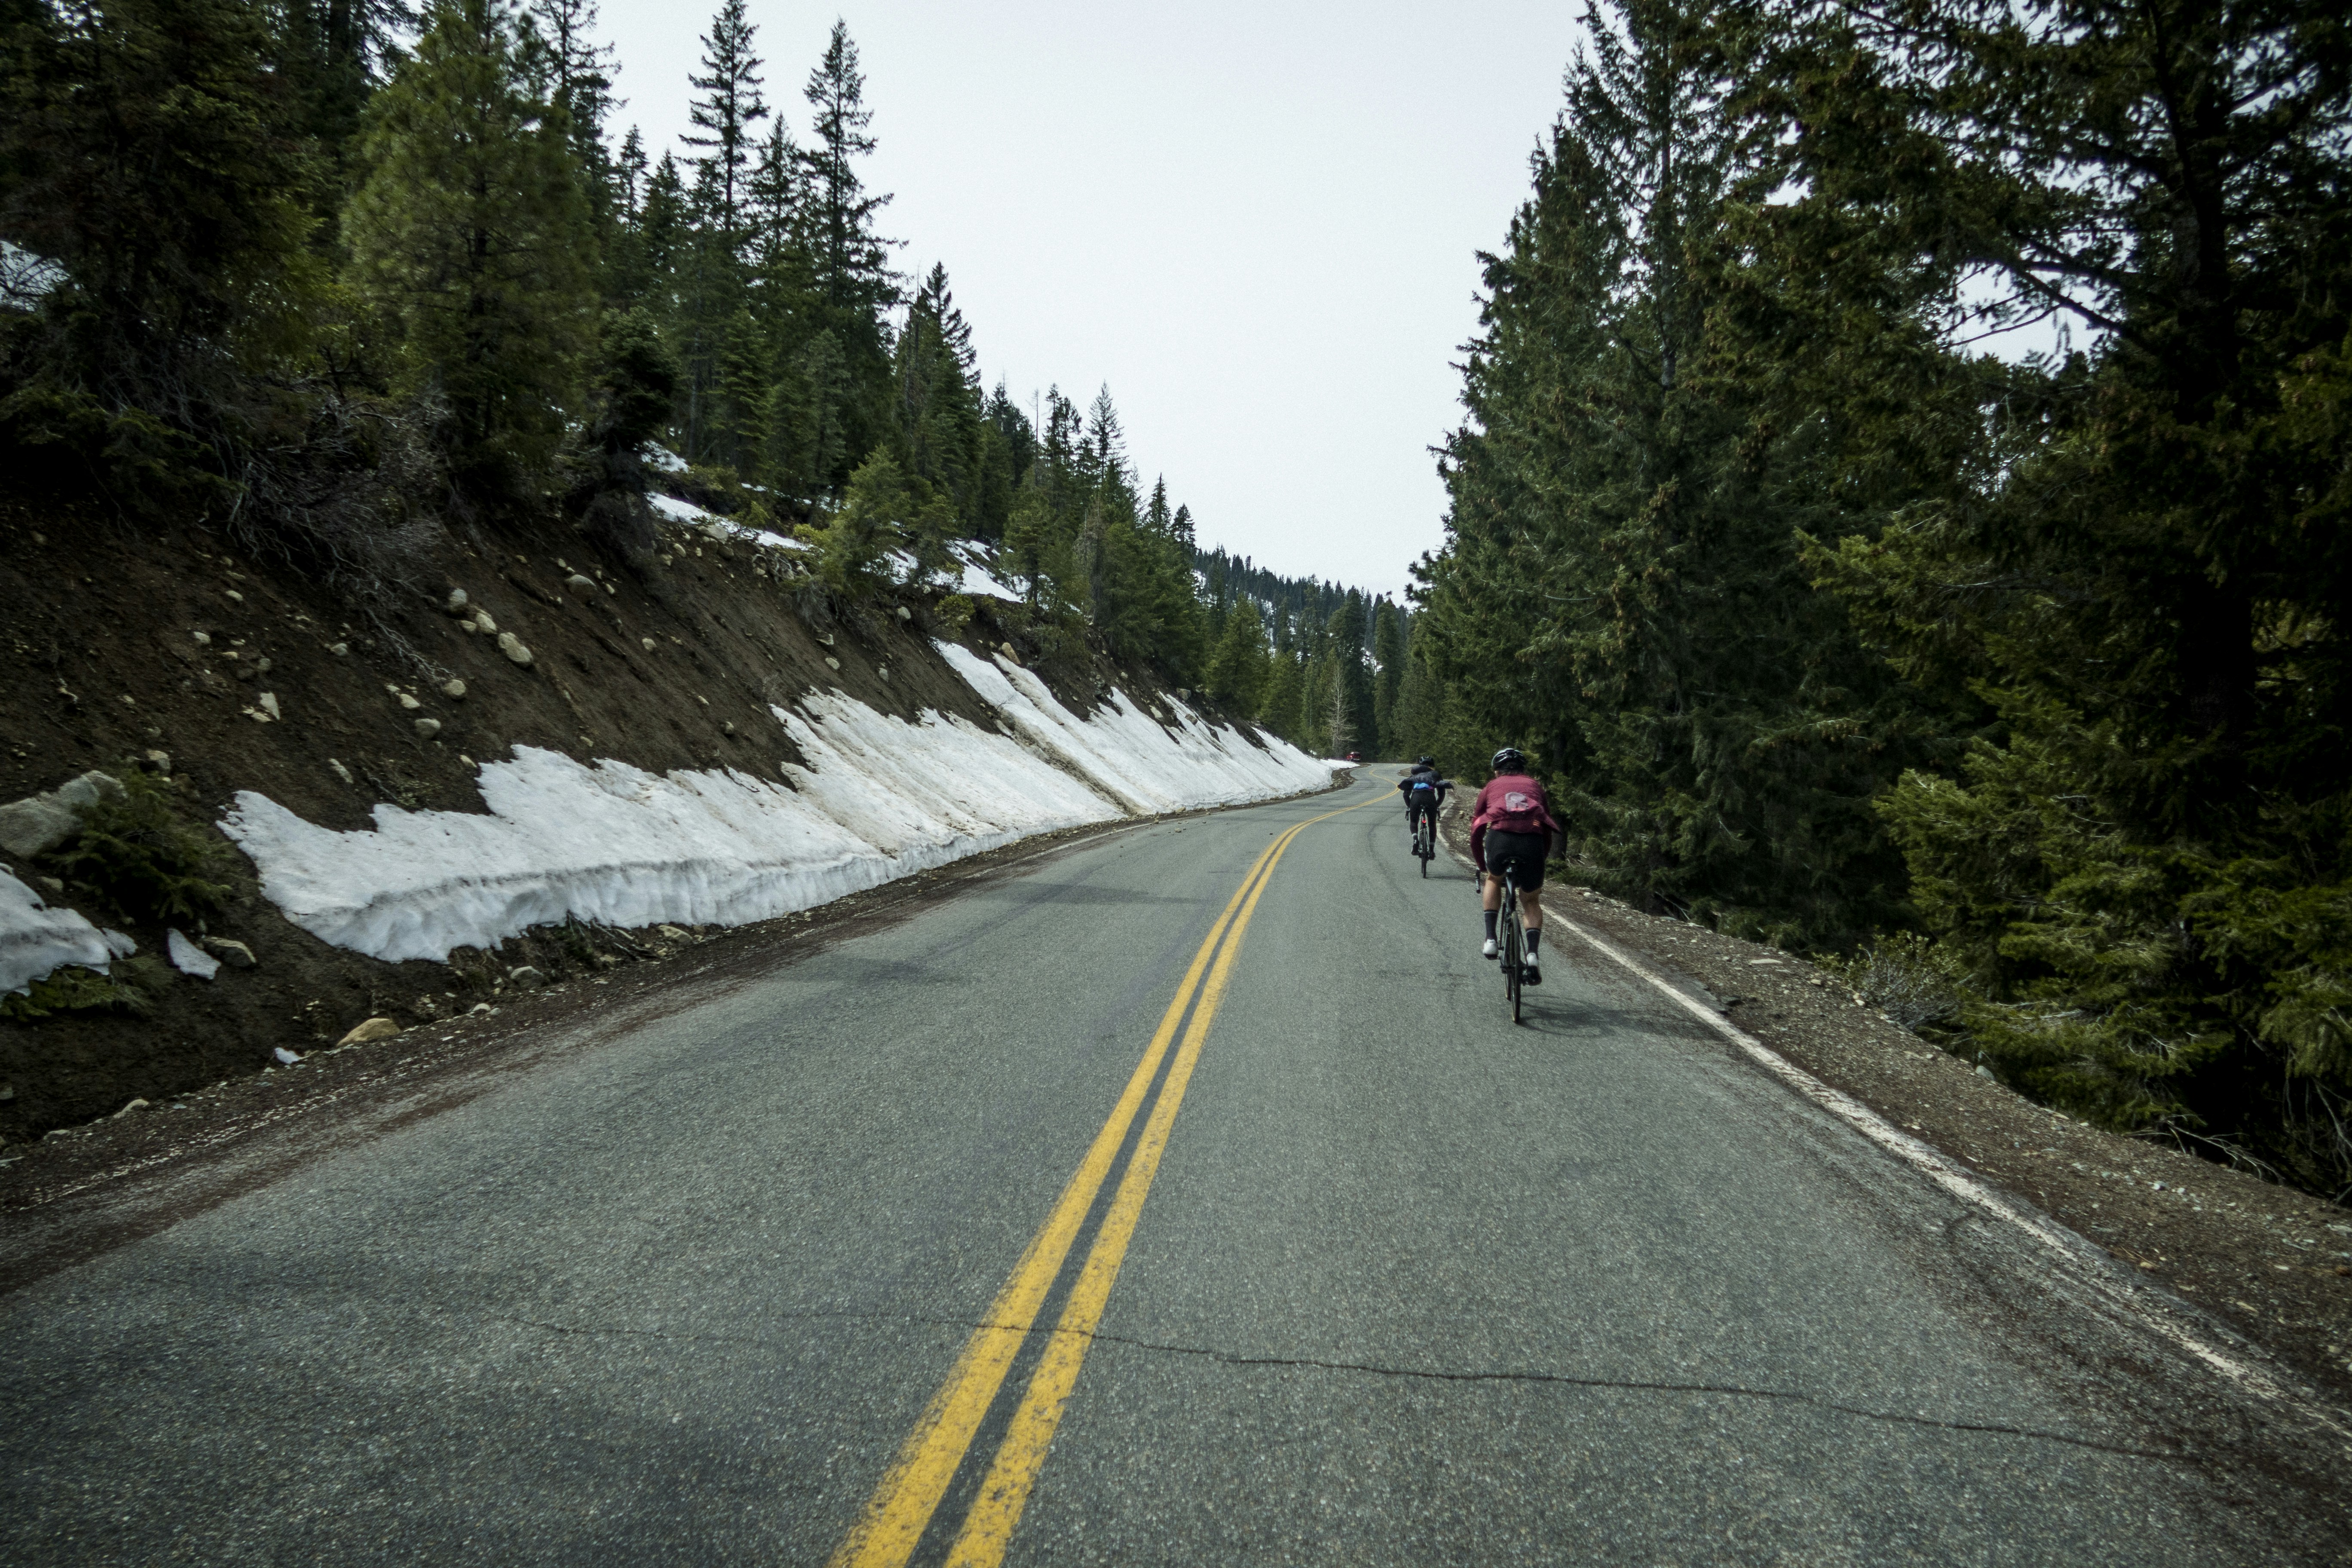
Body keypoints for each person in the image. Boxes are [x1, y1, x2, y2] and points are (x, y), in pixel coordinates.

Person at [1469, 747, 1562, 984]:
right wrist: (1541, 858)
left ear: (1497, 771)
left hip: (1500, 840)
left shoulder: (1491, 787)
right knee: (1530, 900)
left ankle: (1491, 940)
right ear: (1523, 770)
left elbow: (1477, 827)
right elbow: (1546, 826)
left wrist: (1482, 863)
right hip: (1533, 843)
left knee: (1494, 878)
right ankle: (1532, 954)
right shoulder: (1535, 786)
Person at [1396, 755, 1450, 852]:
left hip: (1416, 798)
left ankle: (1416, 840)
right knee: (1432, 825)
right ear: (1432, 766)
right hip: (1430, 798)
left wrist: (1410, 807)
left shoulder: (1414, 777)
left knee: (1414, 822)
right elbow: (1442, 793)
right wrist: (1437, 805)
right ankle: (1432, 850)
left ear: (1420, 766)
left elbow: (1406, 795)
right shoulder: (1436, 774)